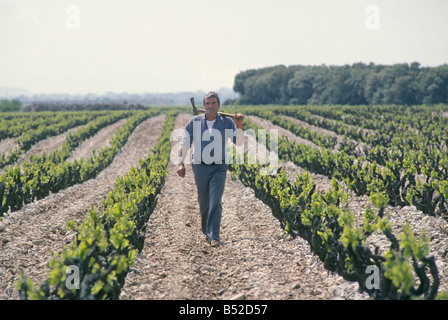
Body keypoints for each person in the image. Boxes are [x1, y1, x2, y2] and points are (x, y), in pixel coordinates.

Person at [177, 91, 244, 247]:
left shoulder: (226, 122)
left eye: (213, 103)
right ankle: (206, 229)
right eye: (208, 103)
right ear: (203, 106)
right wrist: (180, 163)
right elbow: (185, 144)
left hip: (219, 166)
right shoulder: (194, 122)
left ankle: (214, 236)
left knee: (216, 200)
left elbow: (239, 142)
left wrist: (239, 126)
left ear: (218, 105)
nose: (210, 106)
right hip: (199, 166)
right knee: (204, 202)